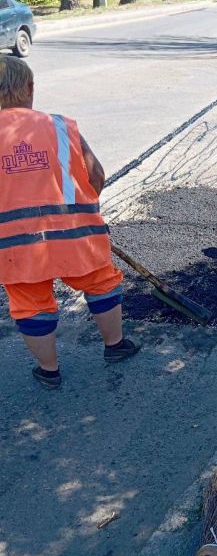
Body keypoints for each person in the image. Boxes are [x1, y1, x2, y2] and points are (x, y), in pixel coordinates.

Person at [0, 57, 139, 389]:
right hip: (78, 236)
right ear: (30, 89)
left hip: (13, 246)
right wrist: (85, 211)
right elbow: (97, 175)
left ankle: (49, 371)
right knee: (102, 282)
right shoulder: (61, 126)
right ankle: (115, 346)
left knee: (30, 302)